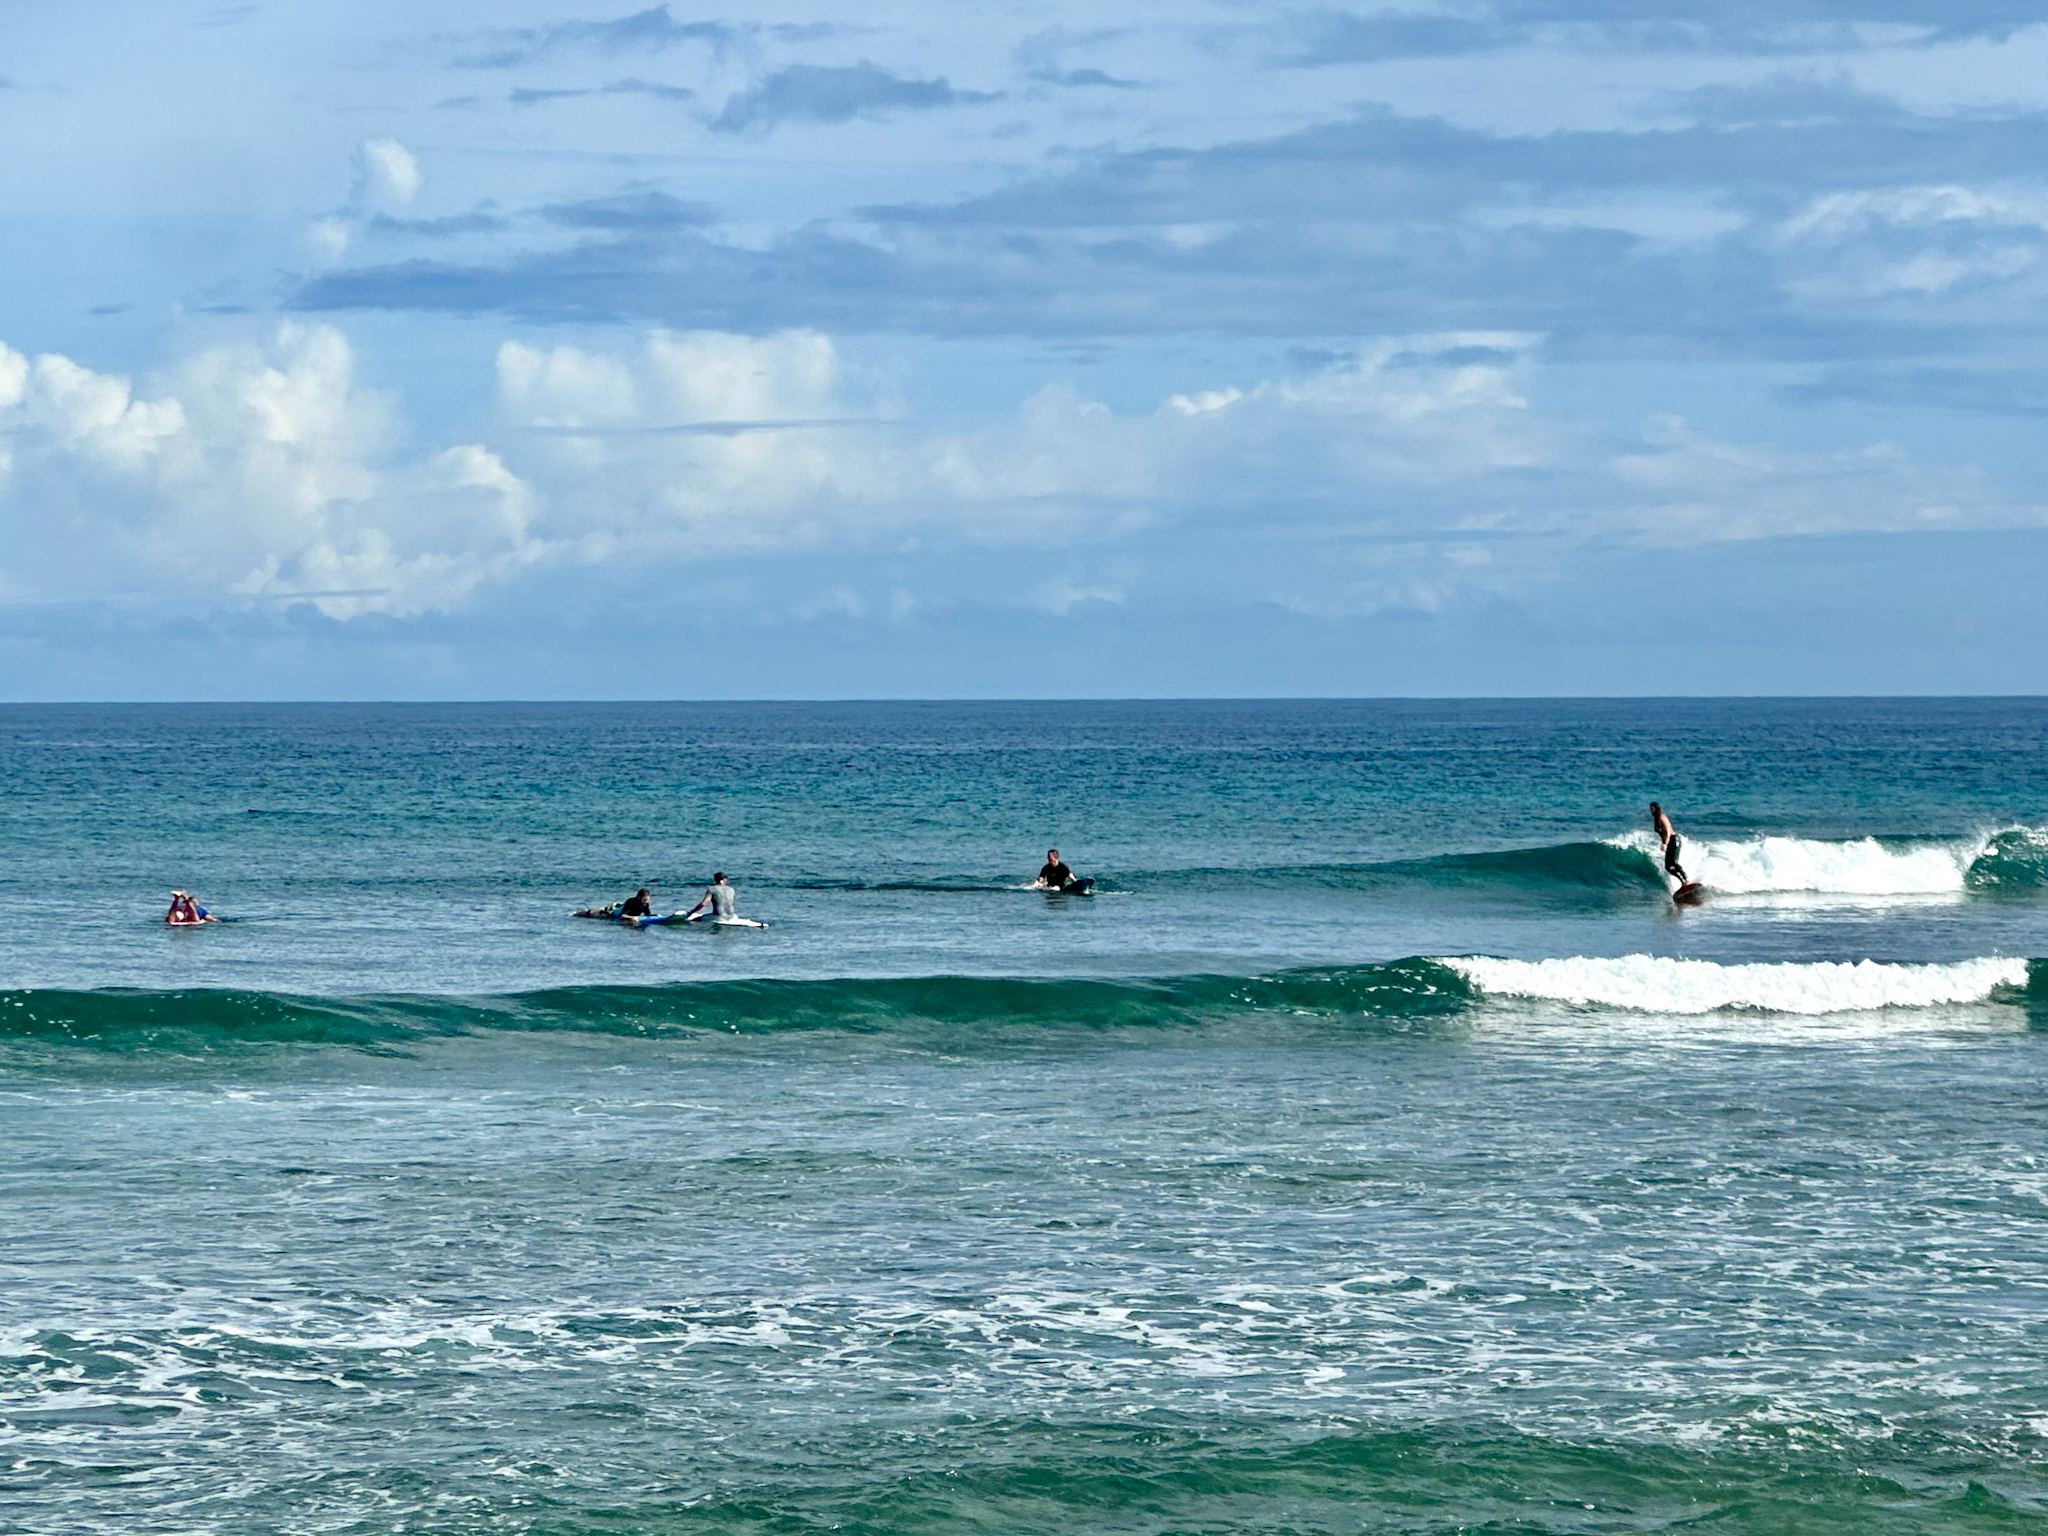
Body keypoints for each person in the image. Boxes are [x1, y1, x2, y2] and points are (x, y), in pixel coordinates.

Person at [1648, 803, 1688, 885]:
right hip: (1669, 842)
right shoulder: (1656, 819)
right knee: (1668, 867)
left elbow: (1668, 831)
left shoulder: (1662, 817)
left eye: (1652, 809)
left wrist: (1665, 843)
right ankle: (1682, 881)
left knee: (1674, 862)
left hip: (1674, 840)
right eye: (1650, 809)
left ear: (1657, 809)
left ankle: (1686, 879)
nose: (1651, 811)